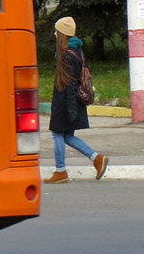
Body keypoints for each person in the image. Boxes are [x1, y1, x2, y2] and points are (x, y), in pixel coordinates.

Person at [45, 16, 109, 183]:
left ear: (62, 34)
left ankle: (61, 171)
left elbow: (71, 84)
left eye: (57, 31)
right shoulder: (76, 50)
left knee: (57, 134)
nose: (54, 34)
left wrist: (70, 108)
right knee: (67, 136)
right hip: (70, 101)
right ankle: (96, 158)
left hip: (66, 102)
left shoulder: (67, 55)